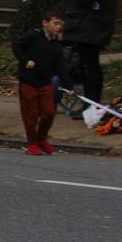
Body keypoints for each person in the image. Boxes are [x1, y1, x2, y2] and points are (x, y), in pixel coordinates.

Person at [12, 8, 72, 155]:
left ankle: (42, 139)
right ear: (45, 23)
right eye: (55, 23)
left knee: (49, 112)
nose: (59, 27)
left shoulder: (56, 45)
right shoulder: (33, 36)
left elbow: (60, 66)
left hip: (45, 82)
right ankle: (32, 143)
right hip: (28, 81)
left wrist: (68, 85)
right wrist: (25, 61)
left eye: (60, 24)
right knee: (31, 114)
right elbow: (16, 45)